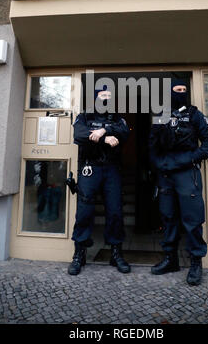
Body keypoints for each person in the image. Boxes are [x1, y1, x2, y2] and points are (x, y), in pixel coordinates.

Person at [149, 79, 208, 285]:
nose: (180, 93)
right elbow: (152, 144)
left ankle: (196, 262)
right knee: (168, 217)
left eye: (183, 90)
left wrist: (189, 158)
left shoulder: (196, 115)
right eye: (176, 90)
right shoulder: (162, 115)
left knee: (192, 219)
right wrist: (159, 164)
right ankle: (171, 259)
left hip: (188, 172)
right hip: (166, 173)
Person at [68, 85, 131, 275]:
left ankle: (116, 253)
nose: (106, 99)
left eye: (109, 96)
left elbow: (125, 131)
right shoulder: (85, 116)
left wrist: (103, 130)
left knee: (114, 211)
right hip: (90, 168)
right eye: (103, 95)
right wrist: (105, 139)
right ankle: (79, 254)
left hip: (112, 169)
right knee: (84, 210)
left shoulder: (117, 118)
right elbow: (79, 135)